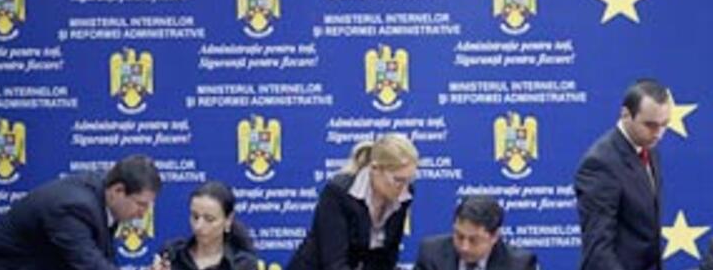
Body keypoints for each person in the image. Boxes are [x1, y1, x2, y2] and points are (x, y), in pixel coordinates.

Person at [0, 154, 162, 270]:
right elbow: (90, 265)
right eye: (140, 204)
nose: (143, 214)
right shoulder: (75, 209)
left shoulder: (105, 197)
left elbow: (102, 260)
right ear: (118, 190)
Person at [574, 78, 672, 270]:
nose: (659, 134)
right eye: (650, 125)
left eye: (664, 125)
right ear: (626, 114)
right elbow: (598, 250)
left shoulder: (649, 149)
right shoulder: (600, 164)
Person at [286, 133, 419, 270]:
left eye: (409, 180)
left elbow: (388, 258)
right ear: (375, 169)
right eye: (398, 180)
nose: (404, 189)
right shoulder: (338, 193)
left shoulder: (404, 195)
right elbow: (334, 264)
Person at [150, 180, 258, 270]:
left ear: (228, 220)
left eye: (209, 219)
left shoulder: (243, 264)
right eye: (195, 217)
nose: (198, 226)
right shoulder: (172, 254)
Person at [414, 195, 537, 270]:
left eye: (474, 240)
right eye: (459, 236)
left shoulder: (519, 265)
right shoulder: (431, 254)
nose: (464, 247)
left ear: (494, 237)